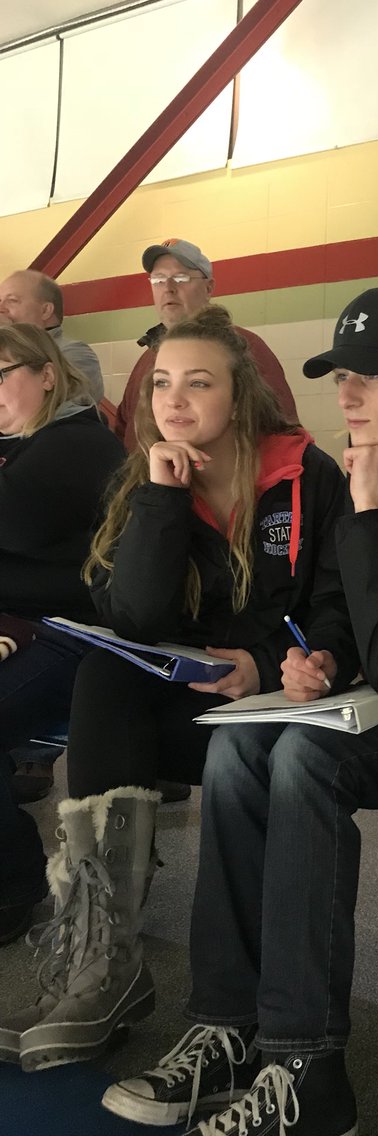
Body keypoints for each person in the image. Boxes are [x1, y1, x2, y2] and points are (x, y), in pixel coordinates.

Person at [100, 284, 378, 1136]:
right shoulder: (373, 456)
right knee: (240, 748)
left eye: (370, 375)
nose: (346, 394)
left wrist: (372, 512)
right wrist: (321, 658)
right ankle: (227, 1026)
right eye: (338, 374)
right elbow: (348, 613)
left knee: (308, 762)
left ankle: (308, 1069)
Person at [0, 304, 352, 1071]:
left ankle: (178, 987)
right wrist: (162, 500)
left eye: (198, 383)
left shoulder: (305, 476)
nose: (174, 401)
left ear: (240, 396)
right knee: (105, 677)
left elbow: (333, 603)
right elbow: (133, 615)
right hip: (192, 704)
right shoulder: (150, 476)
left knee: (116, 695)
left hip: (279, 702)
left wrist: (264, 661)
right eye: (161, 384)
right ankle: (103, 965)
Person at [0, 323, 123, 944]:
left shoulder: (75, 442)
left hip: (76, 638)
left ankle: (12, 883)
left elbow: (12, 523)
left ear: (46, 374)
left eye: (1, 374)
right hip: (33, 629)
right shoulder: (25, 444)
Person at [115, 238, 297, 450]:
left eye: (181, 278)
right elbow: (123, 432)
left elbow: (282, 434)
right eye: (158, 280)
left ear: (209, 287)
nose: (168, 288)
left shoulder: (245, 348)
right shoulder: (147, 359)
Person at [0, 269, 105, 404]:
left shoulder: (74, 352)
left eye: (12, 301)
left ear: (45, 311)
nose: (1, 308)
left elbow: (71, 403)